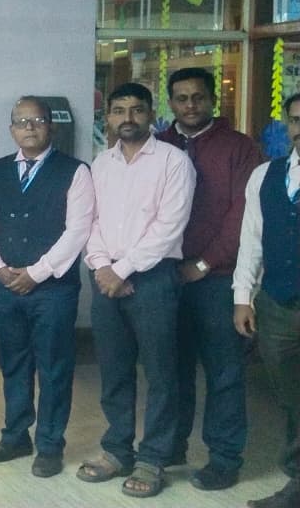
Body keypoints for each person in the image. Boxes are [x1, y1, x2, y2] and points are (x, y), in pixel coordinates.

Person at [76, 83, 195, 498]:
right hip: (106, 278)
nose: (127, 118)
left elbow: (169, 227)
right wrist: (102, 267)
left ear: (151, 113)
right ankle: (117, 449)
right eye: (119, 110)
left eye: (137, 109)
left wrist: (121, 269)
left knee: (161, 373)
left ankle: (154, 457)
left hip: (154, 278)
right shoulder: (100, 163)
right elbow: (89, 220)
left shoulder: (174, 161)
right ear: (108, 116)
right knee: (114, 371)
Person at [155, 67, 262, 491]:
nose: (190, 105)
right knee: (170, 370)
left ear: (213, 100)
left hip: (218, 279)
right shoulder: (158, 145)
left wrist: (204, 263)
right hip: (165, 277)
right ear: (170, 102)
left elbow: (244, 217)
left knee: (224, 373)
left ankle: (224, 458)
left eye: (198, 97)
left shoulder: (240, 147)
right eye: (181, 98)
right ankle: (171, 446)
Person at [0, 97, 94, 478]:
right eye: (21, 121)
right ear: (12, 129)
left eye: (37, 120)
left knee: (54, 368)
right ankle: (15, 437)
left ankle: (49, 446)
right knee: (14, 364)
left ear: (51, 126)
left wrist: (37, 273)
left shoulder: (75, 171)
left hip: (53, 290)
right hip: (5, 285)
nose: (29, 127)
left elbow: (78, 230)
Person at [233, 92, 300, 508]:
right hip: (277, 305)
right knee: (292, 399)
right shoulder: (265, 175)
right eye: (296, 120)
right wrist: (243, 297)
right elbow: (251, 240)